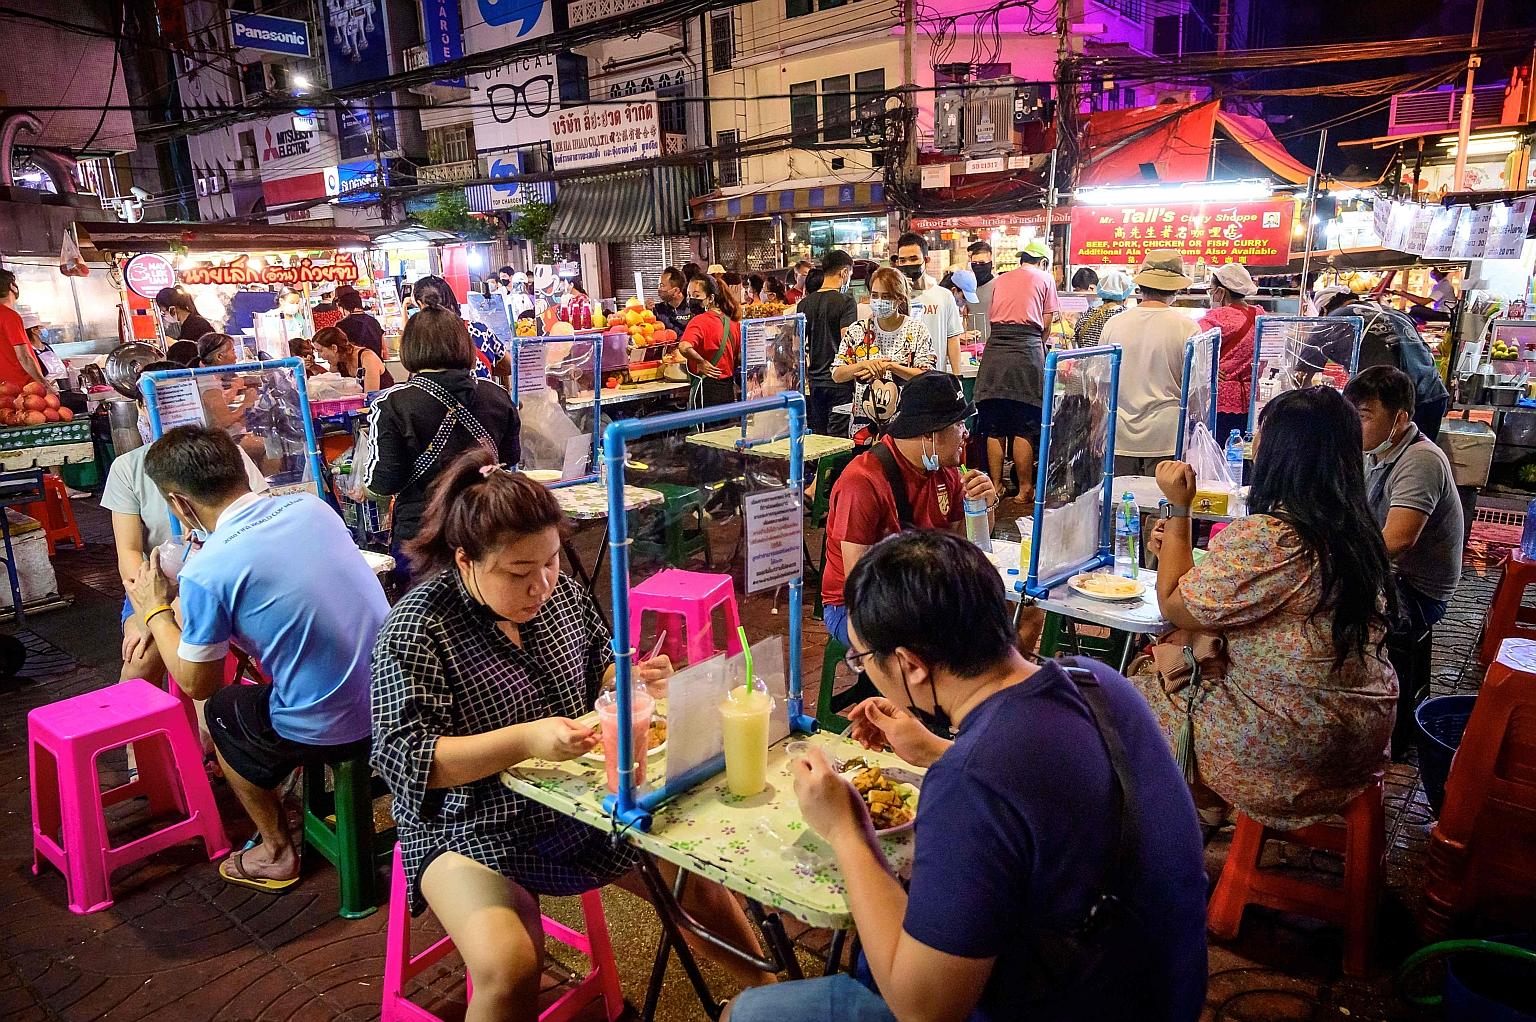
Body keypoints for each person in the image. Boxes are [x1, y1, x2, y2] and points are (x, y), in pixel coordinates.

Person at [727, 530, 1208, 1022]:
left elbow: (925, 1010)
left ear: (911, 666)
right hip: (1164, 989)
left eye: (863, 658)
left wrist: (846, 829)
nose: (865, 670)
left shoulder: (970, 784)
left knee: (746, 1013)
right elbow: (1038, 788)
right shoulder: (1096, 683)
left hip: (1070, 1003)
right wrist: (937, 750)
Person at [372, 451, 772, 1021]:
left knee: (693, 879)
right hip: (465, 820)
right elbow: (408, 762)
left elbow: (594, 670)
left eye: (552, 562)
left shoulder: (561, 596)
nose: (541, 586)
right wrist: (525, 740)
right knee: (509, 965)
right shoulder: (416, 630)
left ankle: (775, 994)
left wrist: (627, 678)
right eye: (518, 573)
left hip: (576, 798)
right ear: (465, 561)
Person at [125, 426, 387, 891]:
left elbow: (196, 683)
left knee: (223, 709)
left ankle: (276, 851)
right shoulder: (312, 508)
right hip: (394, 691)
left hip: (339, 727)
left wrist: (155, 610)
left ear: (179, 502)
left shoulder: (208, 569)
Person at [1135, 387, 1397, 832]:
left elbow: (1176, 606)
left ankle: (1188, 812)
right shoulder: (1357, 530)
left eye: (1261, 433)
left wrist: (1179, 507)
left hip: (1293, 746)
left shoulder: (1274, 538)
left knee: (1135, 691)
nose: (1253, 442)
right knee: (1188, 648)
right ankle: (1208, 805)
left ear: (1282, 452)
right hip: (1363, 730)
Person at [105, 363, 269, 685]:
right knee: (139, 662)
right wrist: (146, 608)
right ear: (141, 405)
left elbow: (256, 520)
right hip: (158, 582)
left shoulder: (227, 454)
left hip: (221, 577)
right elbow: (129, 552)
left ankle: (206, 731)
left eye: (177, 399)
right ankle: (135, 732)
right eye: (156, 400)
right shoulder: (127, 468)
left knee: (196, 674)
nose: (166, 410)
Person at [820, 372, 995, 648]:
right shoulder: (863, 481)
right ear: (929, 433)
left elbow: (968, 545)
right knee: (949, 646)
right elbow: (859, 583)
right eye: (959, 424)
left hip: (921, 591)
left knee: (1008, 615)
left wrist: (984, 504)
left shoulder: (946, 471)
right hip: (855, 607)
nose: (966, 433)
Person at [1345, 366, 1463, 756]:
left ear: (1400, 419)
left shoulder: (1420, 460)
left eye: (1363, 416)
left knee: (1332, 609)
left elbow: (1399, 538)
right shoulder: (1372, 454)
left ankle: (1379, 728)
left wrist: (1339, 563)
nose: (1355, 424)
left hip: (1417, 590)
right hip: (1389, 575)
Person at [363, 300, 522, 567]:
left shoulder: (392, 404)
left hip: (423, 539)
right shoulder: (497, 395)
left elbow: (382, 484)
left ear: (409, 348)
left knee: (426, 608)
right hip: (488, 529)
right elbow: (509, 459)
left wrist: (364, 489)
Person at [1100, 251, 1200, 477]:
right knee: (1163, 507)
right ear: (1175, 288)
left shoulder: (1114, 325)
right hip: (1166, 434)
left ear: (1141, 286)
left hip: (1120, 432)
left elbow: (1102, 386)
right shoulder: (1187, 328)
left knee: (1120, 507)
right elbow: (1195, 390)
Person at [977, 237, 1057, 499]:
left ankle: (996, 485)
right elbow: (1046, 324)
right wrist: (1036, 347)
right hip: (1026, 351)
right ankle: (1025, 489)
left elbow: (993, 318)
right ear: (1043, 262)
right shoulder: (1045, 278)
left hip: (995, 352)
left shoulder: (1001, 279)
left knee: (995, 426)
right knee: (1024, 426)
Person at [1324, 293, 1450, 441]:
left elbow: (1305, 366)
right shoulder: (1394, 312)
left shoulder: (1336, 317)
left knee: (1392, 455)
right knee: (1418, 452)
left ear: (1325, 309)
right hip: (1433, 393)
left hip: (1394, 401)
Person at [833, 267, 936, 444]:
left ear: (900, 298)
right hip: (863, 430)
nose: (879, 301)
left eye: (886, 296)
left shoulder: (917, 330)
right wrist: (864, 365)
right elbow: (837, 374)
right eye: (874, 295)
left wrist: (890, 366)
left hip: (907, 427)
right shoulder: (857, 330)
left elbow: (927, 377)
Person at [1200, 262, 1261, 440]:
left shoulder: (1215, 318)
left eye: (1211, 289)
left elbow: (1196, 351)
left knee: (1219, 450)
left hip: (1221, 397)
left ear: (1222, 291)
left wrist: (1209, 369)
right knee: (1244, 451)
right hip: (1251, 397)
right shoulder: (1260, 315)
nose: (1211, 294)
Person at [800, 249, 858, 435]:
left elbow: (797, 345)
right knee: (839, 439)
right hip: (839, 383)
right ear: (844, 272)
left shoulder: (804, 304)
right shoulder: (846, 301)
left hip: (815, 384)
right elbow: (847, 341)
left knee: (818, 437)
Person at [893, 232, 966, 374]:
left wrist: (957, 377)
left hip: (935, 377)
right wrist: (900, 294)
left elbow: (952, 339)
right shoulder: (894, 298)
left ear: (926, 260)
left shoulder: (944, 296)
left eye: (913, 259)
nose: (908, 264)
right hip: (901, 378)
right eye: (903, 261)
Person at [415, 275, 509, 383]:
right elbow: (509, 366)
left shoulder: (424, 338)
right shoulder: (479, 330)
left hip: (444, 398)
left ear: (420, 304)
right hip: (483, 396)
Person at [676, 272, 742, 408]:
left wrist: (700, 362)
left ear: (711, 298)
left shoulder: (698, 321)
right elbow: (739, 356)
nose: (691, 299)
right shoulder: (733, 323)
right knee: (726, 429)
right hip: (728, 391)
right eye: (689, 295)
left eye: (696, 295)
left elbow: (684, 346)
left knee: (706, 429)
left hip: (706, 391)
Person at [0, 270, 45, 389]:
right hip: (23, 387)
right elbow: (24, 357)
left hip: (4, 389)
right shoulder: (10, 316)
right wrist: (45, 385)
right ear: (12, 286)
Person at [313, 325, 393, 392]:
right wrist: (314, 367)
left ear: (334, 348)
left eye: (320, 351)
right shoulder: (338, 362)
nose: (320, 356)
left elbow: (370, 395)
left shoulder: (367, 358)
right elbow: (332, 388)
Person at [1073, 269, 1132, 348]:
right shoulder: (1126, 316)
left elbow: (1076, 341)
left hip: (1086, 360)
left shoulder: (1086, 315)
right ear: (1125, 296)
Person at [335, 286, 386, 358]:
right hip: (376, 365)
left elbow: (338, 353)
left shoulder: (341, 325)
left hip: (355, 367)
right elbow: (384, 350)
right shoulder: (374, 321)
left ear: (341, 306)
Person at [654, 266, 692, 336]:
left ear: (676, 290)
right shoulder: (657, 309)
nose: (659, 289)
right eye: (658, 286)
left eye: (662, 286)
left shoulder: (693, 309)